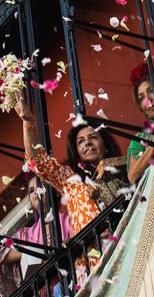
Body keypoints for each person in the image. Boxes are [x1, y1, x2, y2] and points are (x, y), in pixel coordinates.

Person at [10, 93, 127, 235]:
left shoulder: (123, 168)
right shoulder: (71, 181)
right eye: (81, 142)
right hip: (97, 255)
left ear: (105, 144)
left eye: (93, 137)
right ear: (77, 152)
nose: (87, 143)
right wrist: (28, 124)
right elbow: (38, 161)